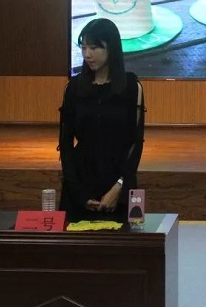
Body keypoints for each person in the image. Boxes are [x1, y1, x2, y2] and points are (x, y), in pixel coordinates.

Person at [59, 18, 145, 222]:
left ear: (111, 48)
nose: (87, 54)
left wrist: (119, 186)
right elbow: (65, 143)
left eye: (94, 47)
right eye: (84, 48)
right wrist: (79, 193)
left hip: (118, 182)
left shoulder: (131, 87)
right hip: (80, 183)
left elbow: (136, 142)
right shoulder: (74, 87)